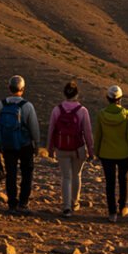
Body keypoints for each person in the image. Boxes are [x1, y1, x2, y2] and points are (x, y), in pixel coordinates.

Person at [0, 75, 41, 215]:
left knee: (11, 174)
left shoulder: (0, 105)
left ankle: (12, 204)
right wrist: (36, 144)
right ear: (22, 89)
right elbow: (34, 128)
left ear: (9, 88)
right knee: (27, 173)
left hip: (7, 145)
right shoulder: (27, 106)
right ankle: (23, 203)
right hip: (25, 145)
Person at [47, 81, 94, 217]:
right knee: (76, 175)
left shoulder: (57, 110)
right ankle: (75, 203)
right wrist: (91, 151)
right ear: (77, 94)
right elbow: (88, 133)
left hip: (61, 148)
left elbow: (51, 130)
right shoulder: (82, 111)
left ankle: (66, 207)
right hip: (78, 148)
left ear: (64, 93)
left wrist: (50, 148)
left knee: (66, 177)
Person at [94, 85, 128, 223]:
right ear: (120, 98)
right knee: (123, 179)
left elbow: (98, 135)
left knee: (110, 182)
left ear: (107, 98)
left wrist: (96, 152)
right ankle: (123, 206)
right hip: (123, 153)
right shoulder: (126, 114)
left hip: (106, 153)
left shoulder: (101, 114)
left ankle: (112, 212)